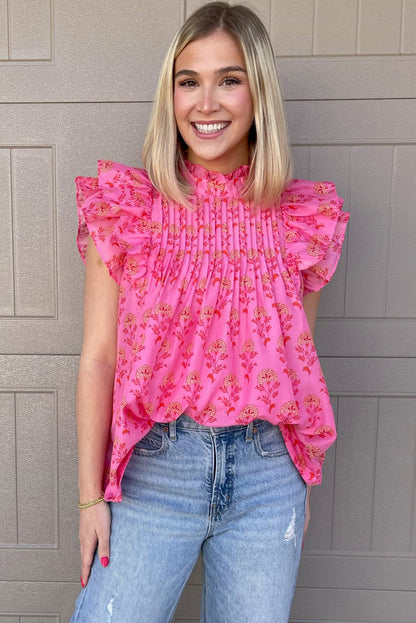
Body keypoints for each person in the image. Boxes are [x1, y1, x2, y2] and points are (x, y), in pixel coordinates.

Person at [70, 2, 349, 622]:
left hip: (266, 477)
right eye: (188, 81)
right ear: (170, 95)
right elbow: (98, 359)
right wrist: (91, 499)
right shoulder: (130, 210)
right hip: (155, 472)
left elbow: (296, 362)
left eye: (229, 79)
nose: (206, 103)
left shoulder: (302, 222)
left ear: (258, 94)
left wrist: (297, 480)